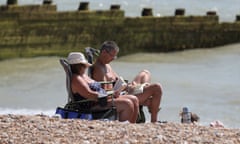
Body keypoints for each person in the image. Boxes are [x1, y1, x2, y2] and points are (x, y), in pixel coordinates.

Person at [92, 41, 163, 122]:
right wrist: (117, 91)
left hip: (123, 90)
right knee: (157, 87)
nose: (113, 59)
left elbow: (117, 79)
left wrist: (128, 85)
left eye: (114, 57)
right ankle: (154, 120)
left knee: (145, 73)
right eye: (112, 56)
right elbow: (103, 94)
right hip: (118, 95)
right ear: (104, 52)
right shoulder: (99, 69)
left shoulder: (106, 65)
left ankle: (147, 100)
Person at [67, 52, 139, 123]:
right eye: (84, 65)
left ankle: (133, 125)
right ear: (79, 66)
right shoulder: (77, 79)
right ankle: (123, 128)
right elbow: (90, 95)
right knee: (127, 103)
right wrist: (111, 94)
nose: (86, 67)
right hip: (93, 105)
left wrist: (111, 92)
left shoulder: (82, 75)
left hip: (101, 99)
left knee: (134, 99)